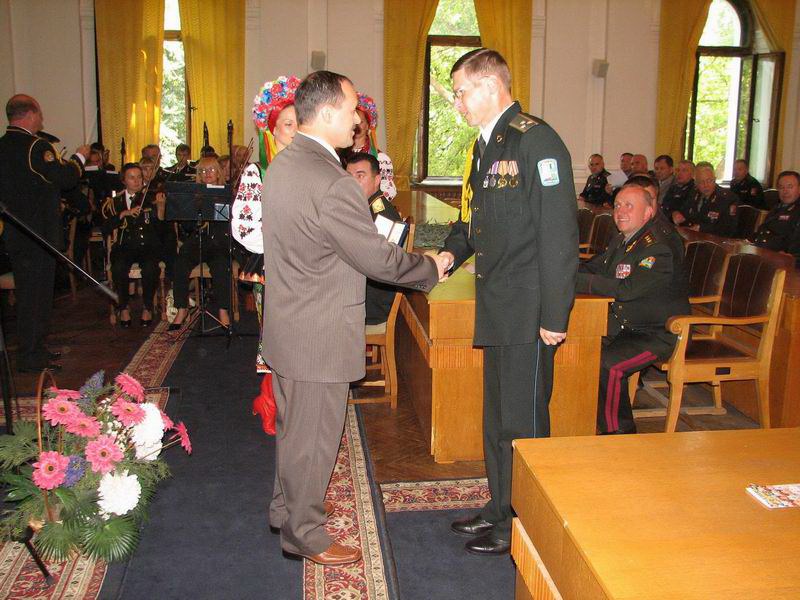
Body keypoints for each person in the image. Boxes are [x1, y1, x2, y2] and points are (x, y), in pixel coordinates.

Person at [261, 70, 446, 566]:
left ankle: (285, 509)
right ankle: (305, 535)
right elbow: (378, 260)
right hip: (318, 333)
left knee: (295, 430)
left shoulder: (283, 163)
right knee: (314, 440)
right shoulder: (332, 182)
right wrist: (431, 266)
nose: (357, 120)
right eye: (349, 110)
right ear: (325, 113)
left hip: (289, 324)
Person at [437, 48, 577, 556]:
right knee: (498, 417)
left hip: (529, 308)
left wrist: (555, 315)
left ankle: (524, 522)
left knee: (524, 423)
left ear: (491, 86)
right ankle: (500, 506)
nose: (457, 103)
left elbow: (559, 235)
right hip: (498, 302)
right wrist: (448, 255)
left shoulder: (536, 141)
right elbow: (474, 219)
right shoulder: (486, 145)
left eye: (461, 92)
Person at [577, 186, 690, 434]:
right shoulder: (623, 239)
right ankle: (580, 420)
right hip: (624, 324)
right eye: (617, 205)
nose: (620, 211)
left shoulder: (658, 247)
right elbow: (596, 268)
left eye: (629, 205)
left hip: (656, 332)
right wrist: (563, 272)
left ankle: (619, 432)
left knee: (609, 364)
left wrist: (577, 282)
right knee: (578, 347)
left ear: (648, 212)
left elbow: (627, 289)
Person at [0, 94, 89, 371]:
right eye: (39, 114)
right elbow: (65, 178)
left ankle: (36, 350)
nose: (41, 119)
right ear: (30, 114)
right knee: (35, 298)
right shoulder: (36, 147)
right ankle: (30, 357)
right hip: (37, 235)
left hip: (15, 233)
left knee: (30, 296)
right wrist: (79, 157)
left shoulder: (2, 146)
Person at [169, 157, 232, 330]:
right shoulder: (193, 195)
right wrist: (197, 218)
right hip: (198, 240)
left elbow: (229, 223)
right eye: (202, 171)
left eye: (211, 170)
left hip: (218, 242)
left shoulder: (226, 193)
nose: (207, 174)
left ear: (218, 172)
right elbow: (186, 227)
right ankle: (182, 308)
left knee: (221, 266)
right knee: (180, 262)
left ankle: (223, 311)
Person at [101, 163, 163, 327]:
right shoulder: (115, 202)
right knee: (119, 267)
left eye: (139, 177)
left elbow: (161, 227)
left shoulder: (149, 199)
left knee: (150, 268)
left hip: (146, 245)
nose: (137, 181)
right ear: (124, 181)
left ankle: (147, 307)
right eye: (132, 177)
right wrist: (123, 214)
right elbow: (105, 227)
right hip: (124, 245)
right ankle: (123, 307)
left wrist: (161, 208)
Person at [346, 152, 402, 325]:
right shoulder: (364, 207)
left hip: (372, 304)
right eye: (348, 176)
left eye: (360, 176)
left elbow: (381, 266)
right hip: (361, 291)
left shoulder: (382, 214)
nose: (352, 182)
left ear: (377, 180)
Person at [339, 92, 396, 200]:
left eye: (361, 122)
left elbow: (388, 191)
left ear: (368, 126)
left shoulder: (381, 158)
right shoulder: (338, 154)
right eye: (353, 121)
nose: (356, 125)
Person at [750, 170, 800, 265]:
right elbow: (763, 231)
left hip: (786, 263)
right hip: (765, 256)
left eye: (790, 187)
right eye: (781, 187)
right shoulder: (777, 208)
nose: (785, 191)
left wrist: (793, 259)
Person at [681, 165, 738, 237]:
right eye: (701, 182)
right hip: (694, 236)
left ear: (715, 180)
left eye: (709, 181)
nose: (706, 185)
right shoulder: (694, 195)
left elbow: (729, 228)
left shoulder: (728, 198)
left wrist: (701, 228)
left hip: (717, 240)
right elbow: (685, 215)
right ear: (696, 184)